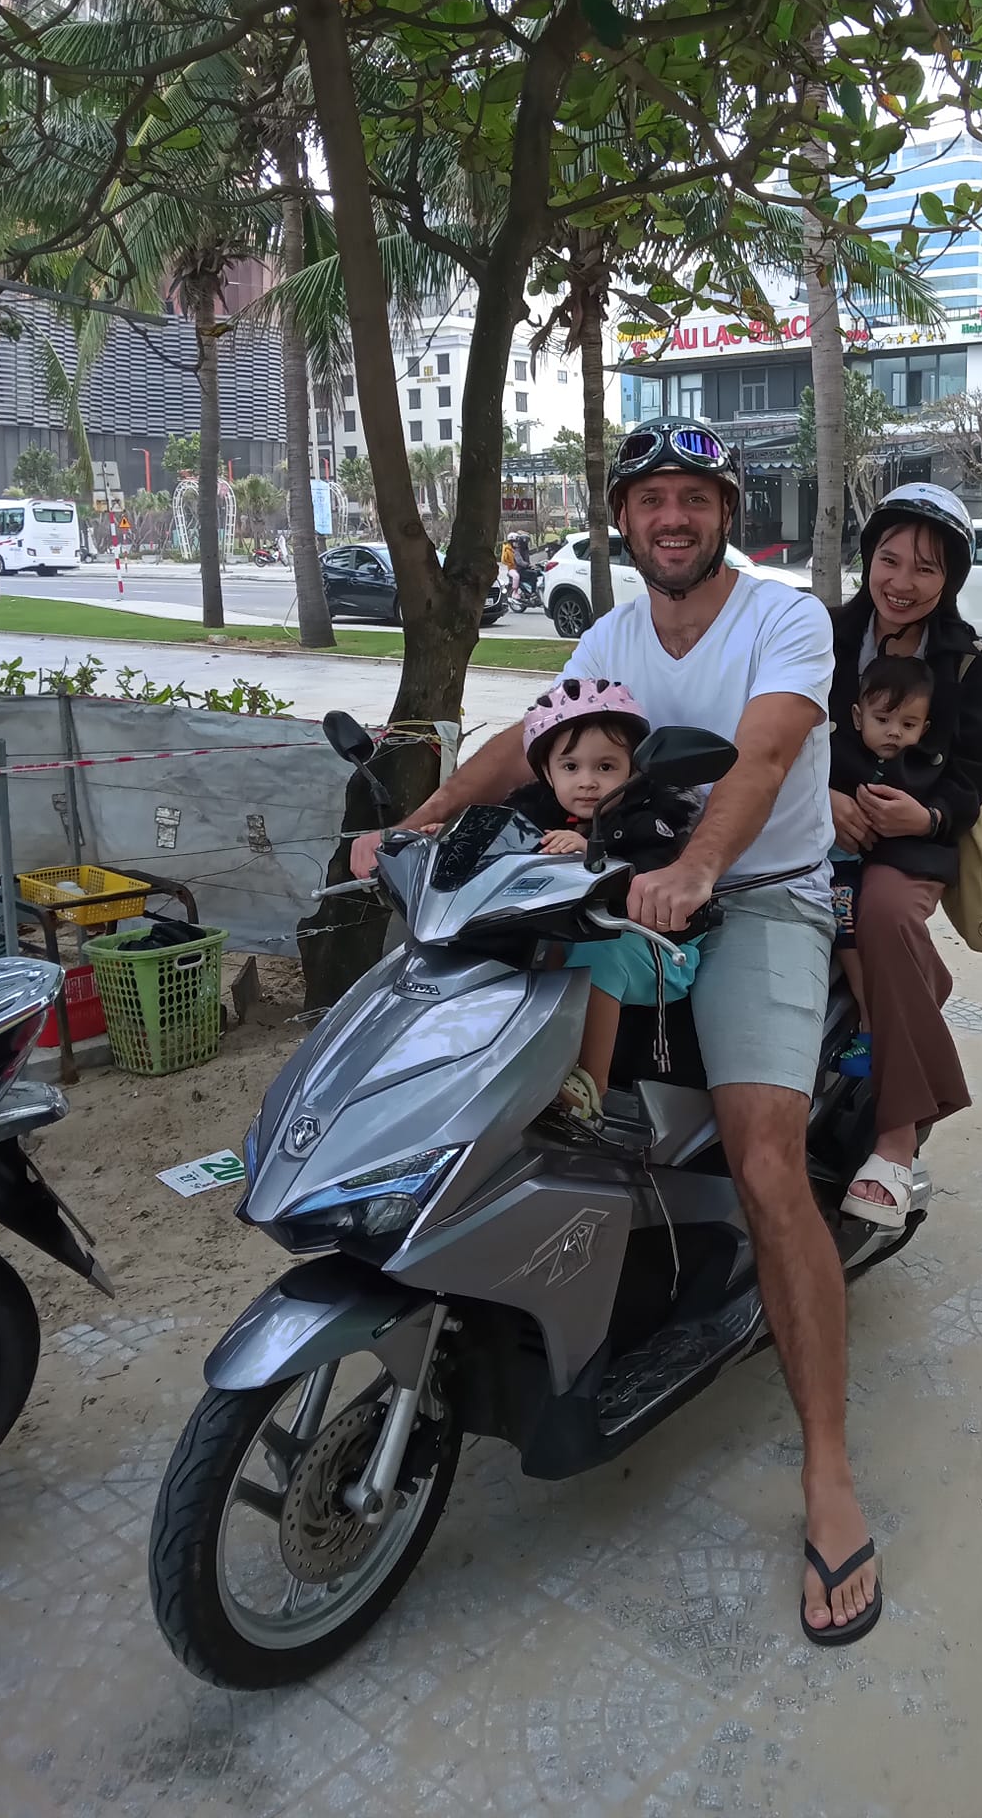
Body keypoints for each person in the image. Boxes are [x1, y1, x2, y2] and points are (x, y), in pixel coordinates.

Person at [351, 416, 881, 1647]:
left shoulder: (784, 618)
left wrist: (698, 865)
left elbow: (762, 756)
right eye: (652, 502)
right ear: (627, 521)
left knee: (764, 1161)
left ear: (723, 513)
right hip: (621, 878)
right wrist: (419, 820)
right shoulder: (612, 632)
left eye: (694, 498)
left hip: (760, 896)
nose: (673, 518)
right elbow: (531, 737)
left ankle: (830, 1470)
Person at [826, 483, 982, 1232]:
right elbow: (788, 728)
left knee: (881, 913)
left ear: (952, 580)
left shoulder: (966, 664)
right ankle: (917, 979)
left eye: (926, 569)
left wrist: (928, 812)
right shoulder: (824, 636)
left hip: (911, 846)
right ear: (868, 558)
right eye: (889, 559)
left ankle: (896, 1140)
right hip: (819, 831)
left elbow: (980, 766)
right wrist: (822, 800)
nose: (901, 582)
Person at [507, 677, 702, 1126]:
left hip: (658, 947)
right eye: (570, 767)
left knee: (596, 956)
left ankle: (589, 1085)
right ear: (546, 774)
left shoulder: (652, 821)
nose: (588, 782)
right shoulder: (530, 818)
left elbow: (653, 875)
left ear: (634, 771)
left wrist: (593, 852)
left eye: (606, 767)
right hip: (568, 939)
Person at [828, 654, 938, 1080]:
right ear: (857, 717)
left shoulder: (913, 774)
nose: (894, 732)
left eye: (908, 726)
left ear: (924, 729)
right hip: (816, 862)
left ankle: (870, 1027)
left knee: (850, 935)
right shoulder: (831, 754)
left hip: (850, 874)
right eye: (883, 719)